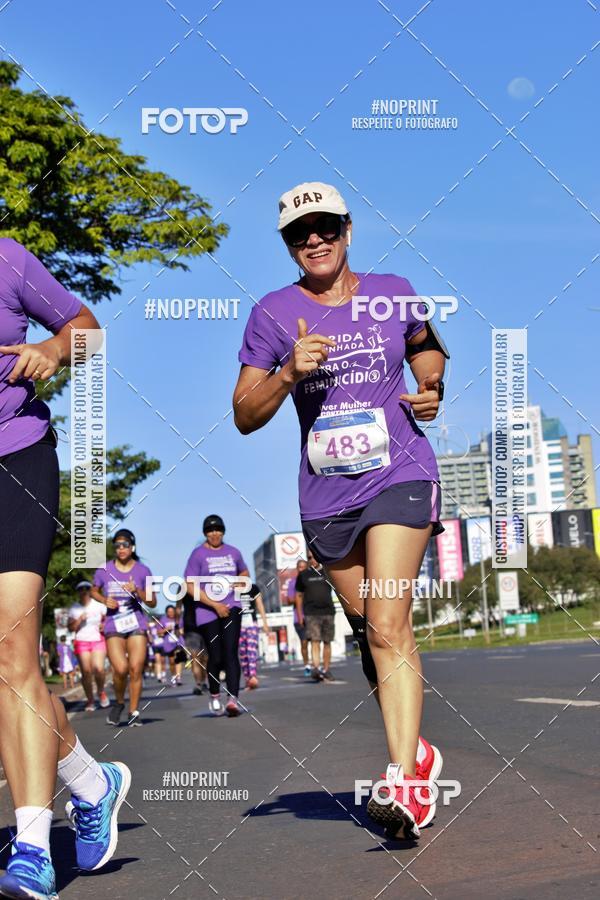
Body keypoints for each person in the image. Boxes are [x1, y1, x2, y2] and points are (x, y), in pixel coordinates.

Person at [234, 182, 448, 840]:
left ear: (348, 230)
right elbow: (245, 414)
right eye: (301, 233)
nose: (315, 239)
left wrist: (431, 386)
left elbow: (425, 345)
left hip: (399, 473)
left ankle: (405, 784)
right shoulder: (272, 314)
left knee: (387, 623)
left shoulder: (391, 288)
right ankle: (419, 754)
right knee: (370, 635)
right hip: (326, 498)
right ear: (288, 246)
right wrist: (287, 373)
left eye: (325, 226)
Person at [0, 238, 130, 898]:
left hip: (15, 458)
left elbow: (85, 328)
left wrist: (53, 350)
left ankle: (31, 845)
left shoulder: (7, 258)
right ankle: (88, 780)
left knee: (11, 650)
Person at [183, 514, 249, 717]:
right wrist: (214, 604)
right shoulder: (198, 555)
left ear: (223, 531)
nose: (215, 534)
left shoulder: (233, 552)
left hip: (232, 607)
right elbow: (189, 585)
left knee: (231, 652)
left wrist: (241, 581)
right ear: (205, 533)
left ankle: (232, 700)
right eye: (211, 531)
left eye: (218, 530)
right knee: (216, 655)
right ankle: (214, 694)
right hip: (207, 611)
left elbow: (244, 572)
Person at [92, 529, 157, 727]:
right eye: (117, 545)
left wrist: (137, 590)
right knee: (120, 669)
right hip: (114, 624)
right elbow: (94, 591)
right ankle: (119, 702)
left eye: (125, 545)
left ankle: (134, 711)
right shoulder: (104, 570)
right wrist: (105, 599)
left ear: (132, 547)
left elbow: (153, 602)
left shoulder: (142, 570)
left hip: (136, 622)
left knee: (136, 668)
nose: (121, 548)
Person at [68, 580, 109, 712]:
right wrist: (79, 619)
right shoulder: (74, 608)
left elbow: (108, 620)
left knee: (99, 669)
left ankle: (101, 691)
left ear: (90, 591)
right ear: (78, 592)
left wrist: (105, 625)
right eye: (81, 589)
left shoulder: (99, 605)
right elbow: (70, 628)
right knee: (86, 671)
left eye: (87, 588)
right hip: (82, 641)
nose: (84, 591)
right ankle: (90, 700)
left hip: (97, 639)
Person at [295, 551, 336, 682]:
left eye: (314, 557)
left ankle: (326, 669)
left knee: (327, 641)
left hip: (328, 611)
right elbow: (299, 596)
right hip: (311, 613)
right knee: (315, 640)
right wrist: (299, 615)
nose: (311, 560)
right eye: (309, 558)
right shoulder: (303, 575)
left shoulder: (328, 572)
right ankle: (316, 669)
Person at [178, 585, 209, 695]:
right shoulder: (204, 584)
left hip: (195, 625)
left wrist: (178, 625)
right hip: (200, 625)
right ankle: (201, 683)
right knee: (201, 658)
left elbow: (178, 608)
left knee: (199, 658)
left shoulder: (183, 587)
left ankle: (200, 684)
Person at [239, 583, 269, 689]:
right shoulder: (232, 589)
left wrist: (265, 623)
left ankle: (253, 676)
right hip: (238, 626)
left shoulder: (253, 588)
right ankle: (247, 678)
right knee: (243, 654)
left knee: (251, 650)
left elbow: (260, 604)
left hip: (252, 623)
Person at [287, 559, 311, 676]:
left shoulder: (310, 580)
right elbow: (289, 600)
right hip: (298, 618)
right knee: (304, 642)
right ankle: (307, 665)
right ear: (297, 568)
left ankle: (316, 664)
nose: (301, 569)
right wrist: (298, 597)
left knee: (316, 641)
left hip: (312, 615)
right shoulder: (292, 582)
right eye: (299, 567)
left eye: (304, 567)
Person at [158, 605, 183, 686]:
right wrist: (166, 629)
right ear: (166, 613)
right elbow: (159, 632)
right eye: (169, 612)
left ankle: (178, 677)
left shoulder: (179, 619)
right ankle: (173, 676)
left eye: (172, 611)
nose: (171, 613)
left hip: (178, 641)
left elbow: (183, 629)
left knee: (178, 658)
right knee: (172, 661)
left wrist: (180, 630)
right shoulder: (163, 620)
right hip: (168, 643)